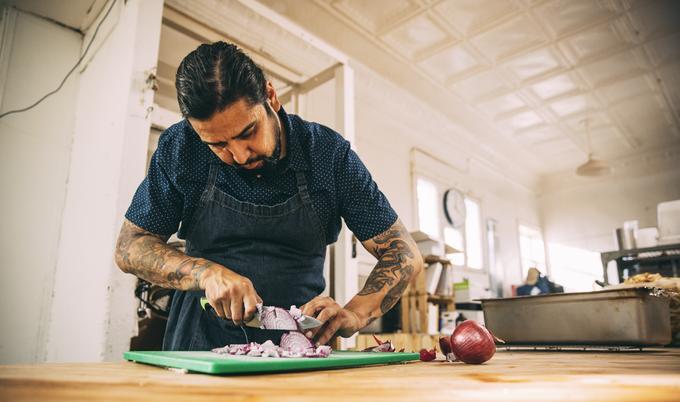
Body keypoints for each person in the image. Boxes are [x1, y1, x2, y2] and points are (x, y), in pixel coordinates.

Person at [114, 41, 423, 351]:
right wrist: (205, 273)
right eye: (218, 145)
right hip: (198, 341)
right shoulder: (181, 147)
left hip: (301, 343)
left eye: (248, 132)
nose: (238, 155)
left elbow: (403, 254)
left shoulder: (329, 156)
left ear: (271, 97)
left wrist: (355, 314)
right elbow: (130, 246)